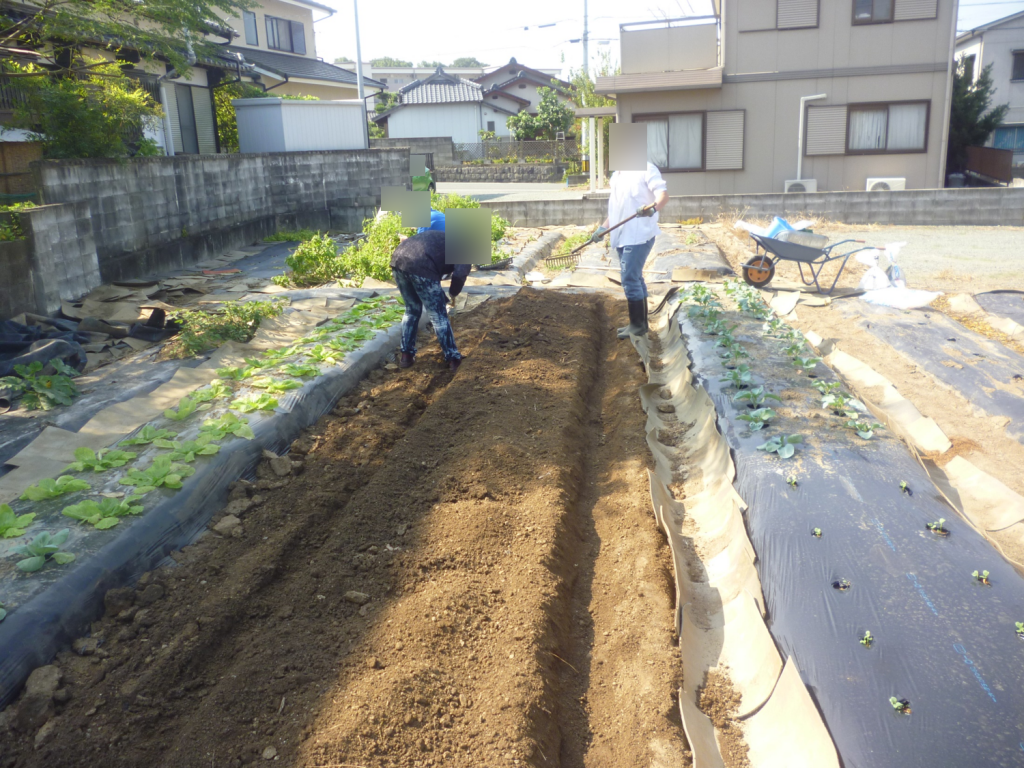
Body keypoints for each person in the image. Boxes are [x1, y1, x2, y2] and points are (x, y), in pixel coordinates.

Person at [589, 161, 670, 339]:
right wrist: (603, 228)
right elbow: (617, 209)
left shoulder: (646, 168)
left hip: (639, 234)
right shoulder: (617, 175)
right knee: (635, 277)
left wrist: (653, 208)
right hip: (621, 235)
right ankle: (639, 323)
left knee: (629, 278)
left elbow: (663, 195)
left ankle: (638, 326)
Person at [390, 230, 468, 372]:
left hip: (398, 260)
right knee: (438, 315)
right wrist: (452, 293)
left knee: (412, 310)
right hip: (421, 265)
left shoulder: (445, 237)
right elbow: (460, 274)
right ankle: (453, 358)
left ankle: (406, 355)